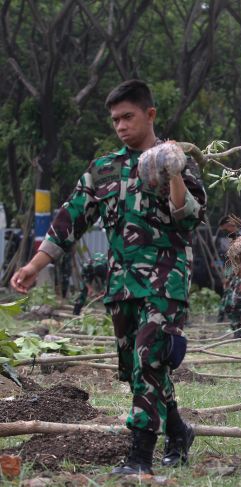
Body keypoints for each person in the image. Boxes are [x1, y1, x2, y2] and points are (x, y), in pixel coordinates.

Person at [11, 80, 206, 475]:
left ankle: (138, 458)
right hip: (121, 285)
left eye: (128, 117)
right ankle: (178, 431)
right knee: (138, 370)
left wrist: (173, 174)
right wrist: (34, 266)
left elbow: (191, 216)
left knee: (150, 359)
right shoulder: (104, 169)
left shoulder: (177, 160)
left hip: (164, 281)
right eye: (115, 119)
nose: (120, 125)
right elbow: (70, 219)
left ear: (150, 114)